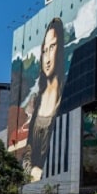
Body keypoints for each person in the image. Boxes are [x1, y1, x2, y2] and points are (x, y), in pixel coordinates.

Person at [25, 18, 65, 181]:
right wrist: (31, 171)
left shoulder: (66, 95)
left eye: (53, 47)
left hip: (57, 182)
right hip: (33, 185)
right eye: (44, 50)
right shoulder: (35, 101)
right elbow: (27, 152)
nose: (47, 58)